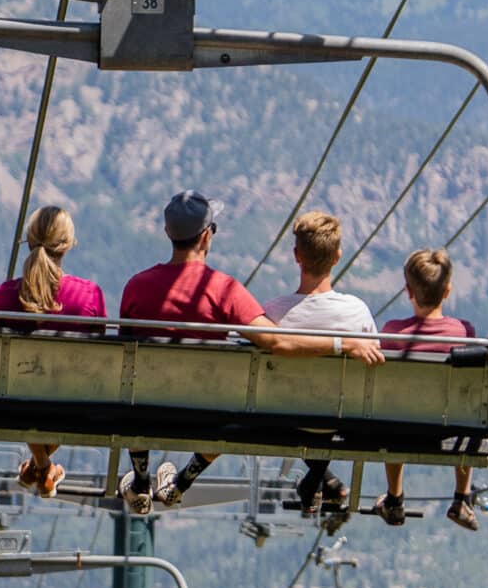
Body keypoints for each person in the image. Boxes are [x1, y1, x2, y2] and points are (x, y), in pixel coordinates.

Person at [117, 191, 384, 514]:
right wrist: (342, 343)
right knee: (230, 408)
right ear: (206, 237)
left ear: (168, 234)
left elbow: (126, 352)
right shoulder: (224, 290)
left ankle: (142, 479)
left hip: (146, 406)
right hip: (209, 412)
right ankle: (184, 481)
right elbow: (277, 342)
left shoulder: (136, 286)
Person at [264, 210, 382, 515]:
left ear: (296, 255)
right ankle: (317, 476)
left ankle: (318, 476)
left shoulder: (273, 314)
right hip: (343, 418)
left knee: (302, 405)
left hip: (284, 418)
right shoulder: (357, 312)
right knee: (328, 407)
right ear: (337, 256)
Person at [0, 205, 106, 497]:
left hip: (13, 400)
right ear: (67, 246)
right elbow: (99, 354)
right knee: (60, 391)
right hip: (73, 402)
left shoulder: (5, 296)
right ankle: (43, 468)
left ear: (29, 242)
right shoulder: (88, 296)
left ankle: (42, 467)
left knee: (29, 391)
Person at [379, 248, 481, 531]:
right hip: (450, 425)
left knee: (394, 409)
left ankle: (395, 496)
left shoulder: (392, 333)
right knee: (468, 411)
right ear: (447, 291)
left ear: (408, 291)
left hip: (401, 426)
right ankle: (462, 496)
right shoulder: (464, 333)